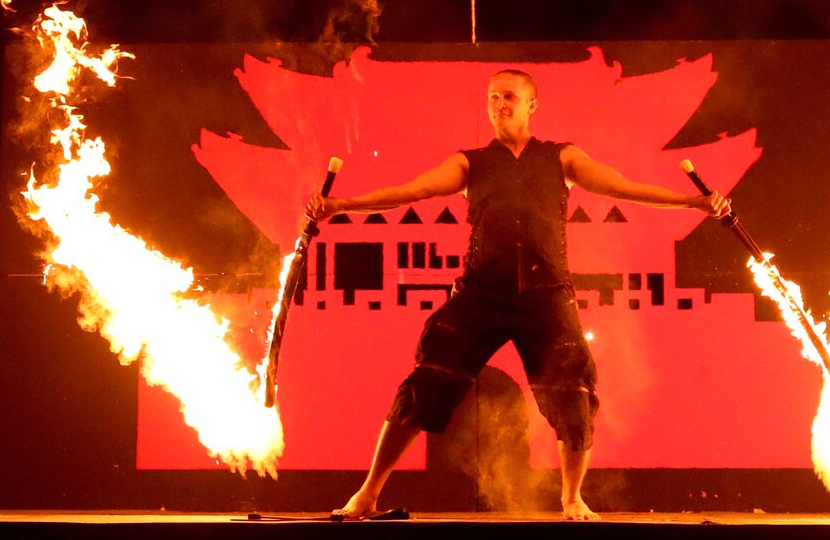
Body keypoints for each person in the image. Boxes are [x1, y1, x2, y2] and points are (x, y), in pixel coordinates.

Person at [306, 68, 730, 522]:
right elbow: (414, 190)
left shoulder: (561, 157)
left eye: (509, 96)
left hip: (546, 295)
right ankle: (368, 494)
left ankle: (571, 500)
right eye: (492, 97)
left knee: (574, 392)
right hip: (480, 294)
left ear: (532, 105)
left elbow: (621, 186)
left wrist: (695, 203)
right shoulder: (471, 162)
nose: (499, 104)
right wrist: (341, 205)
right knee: (425, 384)